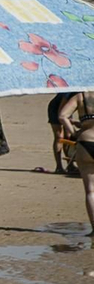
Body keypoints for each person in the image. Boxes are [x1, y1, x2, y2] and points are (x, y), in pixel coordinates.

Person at [58, 92, 94, 233]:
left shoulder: (80, 96)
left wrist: (74, 132)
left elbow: (62, 116)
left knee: (91, 190)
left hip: (86, 142)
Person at [48, 91, 76, 174]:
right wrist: (70, 121)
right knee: (59, 137)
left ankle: (70, 165)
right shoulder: (70, 92)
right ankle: (59, 166)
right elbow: (61, 112)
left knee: (68, 136)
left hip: (67, 110)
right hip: (55, 109)